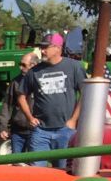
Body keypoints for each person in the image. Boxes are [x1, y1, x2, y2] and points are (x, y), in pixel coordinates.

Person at [18, 31, 85, 166]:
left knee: (63, 172)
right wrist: (30, 118)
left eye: (46, 47)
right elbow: (21, 96)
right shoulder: (34, 72)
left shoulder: (74, 67)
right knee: (37, 173)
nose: (42, 51)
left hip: (65, 130)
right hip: (41, 131)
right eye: (41, 47)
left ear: (58, 48)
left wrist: (73, 120)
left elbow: (85, 94)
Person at [0, 49, 41, 154]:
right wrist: (3, 127)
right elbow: (7, 105)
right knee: (17, 163)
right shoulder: (15, 82)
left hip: (37, 131)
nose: (20, 67)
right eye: (19, 64)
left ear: (33, 65)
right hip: (18, 131)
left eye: (23, 65)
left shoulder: (42, 81)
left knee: (34, 163)